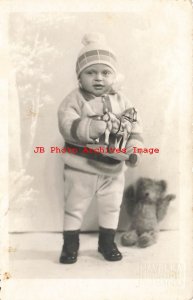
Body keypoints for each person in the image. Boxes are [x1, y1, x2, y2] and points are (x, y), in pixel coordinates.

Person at [58, 32, 143, 264]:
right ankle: (70, 246)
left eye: (105, 72)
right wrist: (89, 127)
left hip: (113, 168)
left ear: (114, 76)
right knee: (75, 207)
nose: (98, 78)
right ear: (79, 76)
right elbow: (66, 124)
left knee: (111, 207)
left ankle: (106, 243)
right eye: (90, 72)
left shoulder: (123, 101)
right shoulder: (74, 100)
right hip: (81, 167)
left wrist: (134, 148)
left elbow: (135, 128)